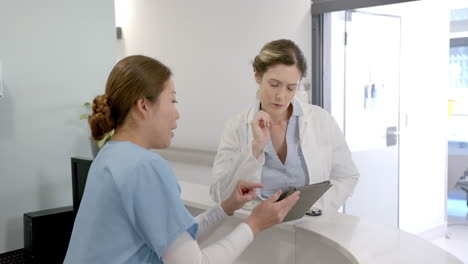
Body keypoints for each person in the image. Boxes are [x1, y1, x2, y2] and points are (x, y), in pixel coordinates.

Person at [64, 55, 300, 264]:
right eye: (173, 101)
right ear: (144, 106)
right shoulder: (145, 167)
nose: (177, 114)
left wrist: (227, 207)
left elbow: (178, 239)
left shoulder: (110, 155)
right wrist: (255, 225)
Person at [210, 39, 359, 212]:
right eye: (274, 85)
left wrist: (313, 208)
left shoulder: (321, 120)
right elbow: (219, 193)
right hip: (258, 228)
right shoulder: (236, 127)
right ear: (257, 76)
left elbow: (347, 176)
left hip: (310, 226)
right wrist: (255, 148)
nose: (281, 96)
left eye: (290, 88)